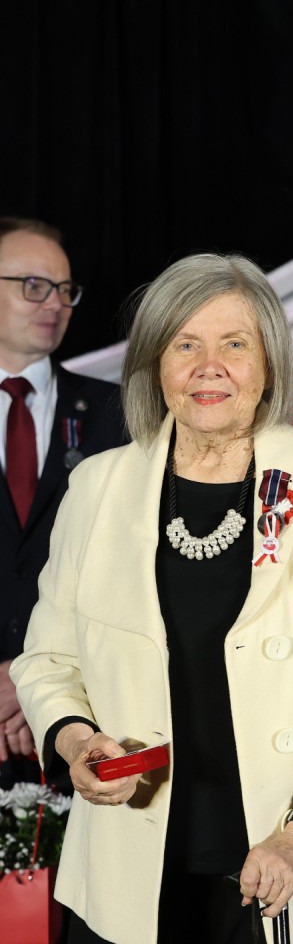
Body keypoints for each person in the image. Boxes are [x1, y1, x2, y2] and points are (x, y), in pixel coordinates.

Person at [11, 253, 293, 944]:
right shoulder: (98, 487)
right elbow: (48, 660)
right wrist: (76, 742)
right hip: (131, 863)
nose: (209, 366)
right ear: (155, 365)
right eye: (185, 345)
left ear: (269, 364)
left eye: (235, 344)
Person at [0, 216, 125, 785]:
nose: (54, 303)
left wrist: (34, 684)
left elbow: (130, 568)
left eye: (64, 289)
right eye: (34, 286)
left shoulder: (118, 414)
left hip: (74, 728)